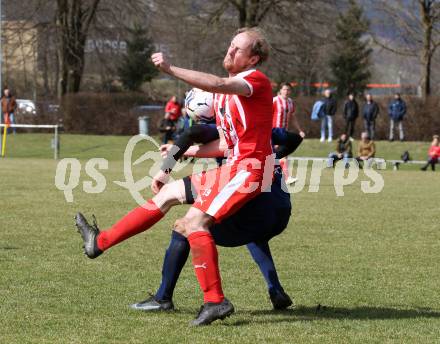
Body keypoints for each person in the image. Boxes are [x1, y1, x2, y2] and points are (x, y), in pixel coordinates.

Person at [75, 27, 277, 326]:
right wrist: (185, 153)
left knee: (192, 223)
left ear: (253, 59)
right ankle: (99, 242)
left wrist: (170, 69)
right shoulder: (228, 98)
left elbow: (219, 83)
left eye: (238, 49)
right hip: (235, 166)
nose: (230, 51)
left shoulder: (254, 81)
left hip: (252, 170)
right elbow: (226, 144)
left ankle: (215, 301)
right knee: (167, 194)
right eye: (230, 45)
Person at [272, 82, 305, 184]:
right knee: (277, 155)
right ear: (280, 90)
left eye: (288, 90)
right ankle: (285, 177)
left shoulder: (290, 102)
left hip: (284, 133)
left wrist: (299, 130)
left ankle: (283, 177)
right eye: (284, 89)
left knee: (281, 155)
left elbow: (293, 118)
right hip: (274, 132)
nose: (286, 92)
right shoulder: (275, 101)